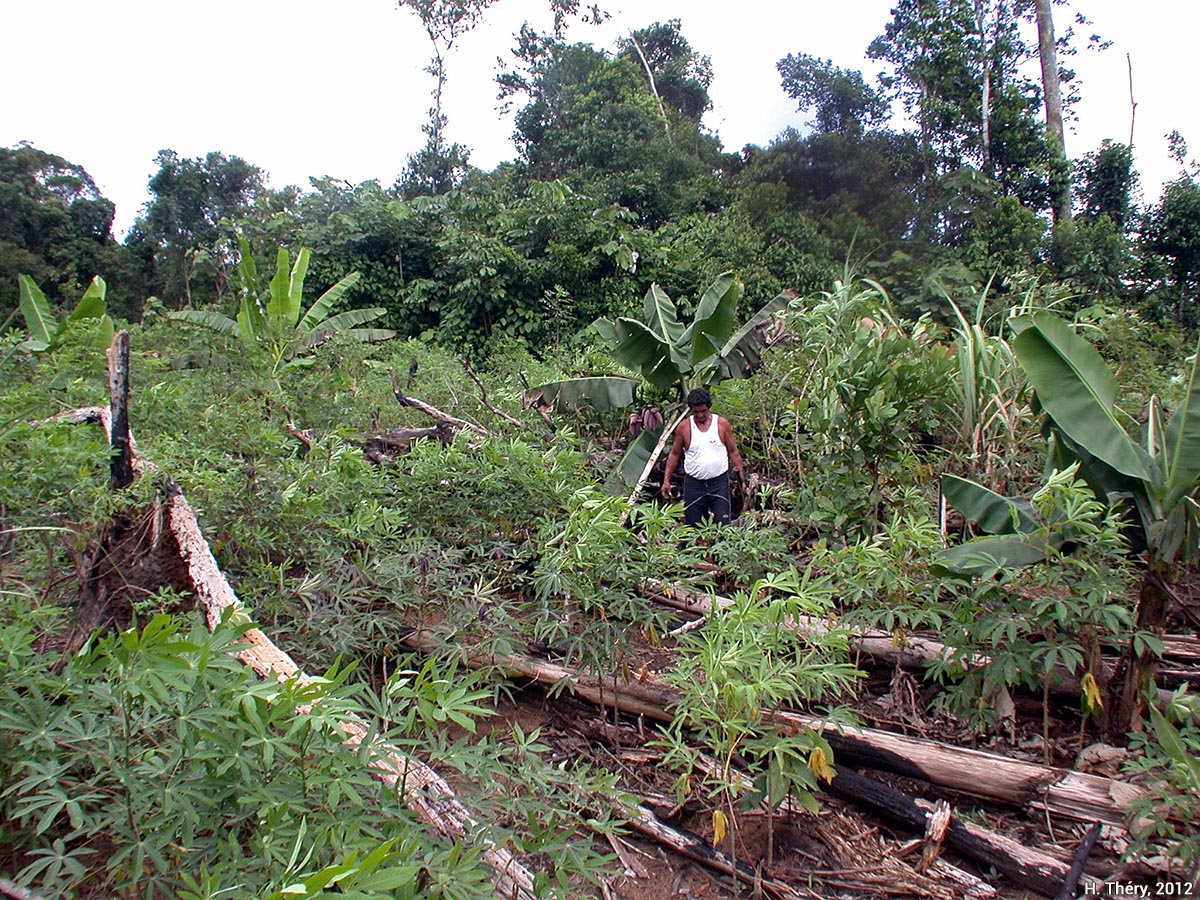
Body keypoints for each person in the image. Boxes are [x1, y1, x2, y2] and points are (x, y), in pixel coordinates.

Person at [660, 388, 746, 525]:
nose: (700, 415)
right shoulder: (684, 428)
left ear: (709, 407)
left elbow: (733, 451)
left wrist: (742, 479)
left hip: (719, 483)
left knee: (722, 524)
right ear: (691, 410)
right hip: (694, 484)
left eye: (703, 411)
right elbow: (675, 454)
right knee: (693, 526)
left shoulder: (721, 424)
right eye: (696, 412)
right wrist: (666, 480)